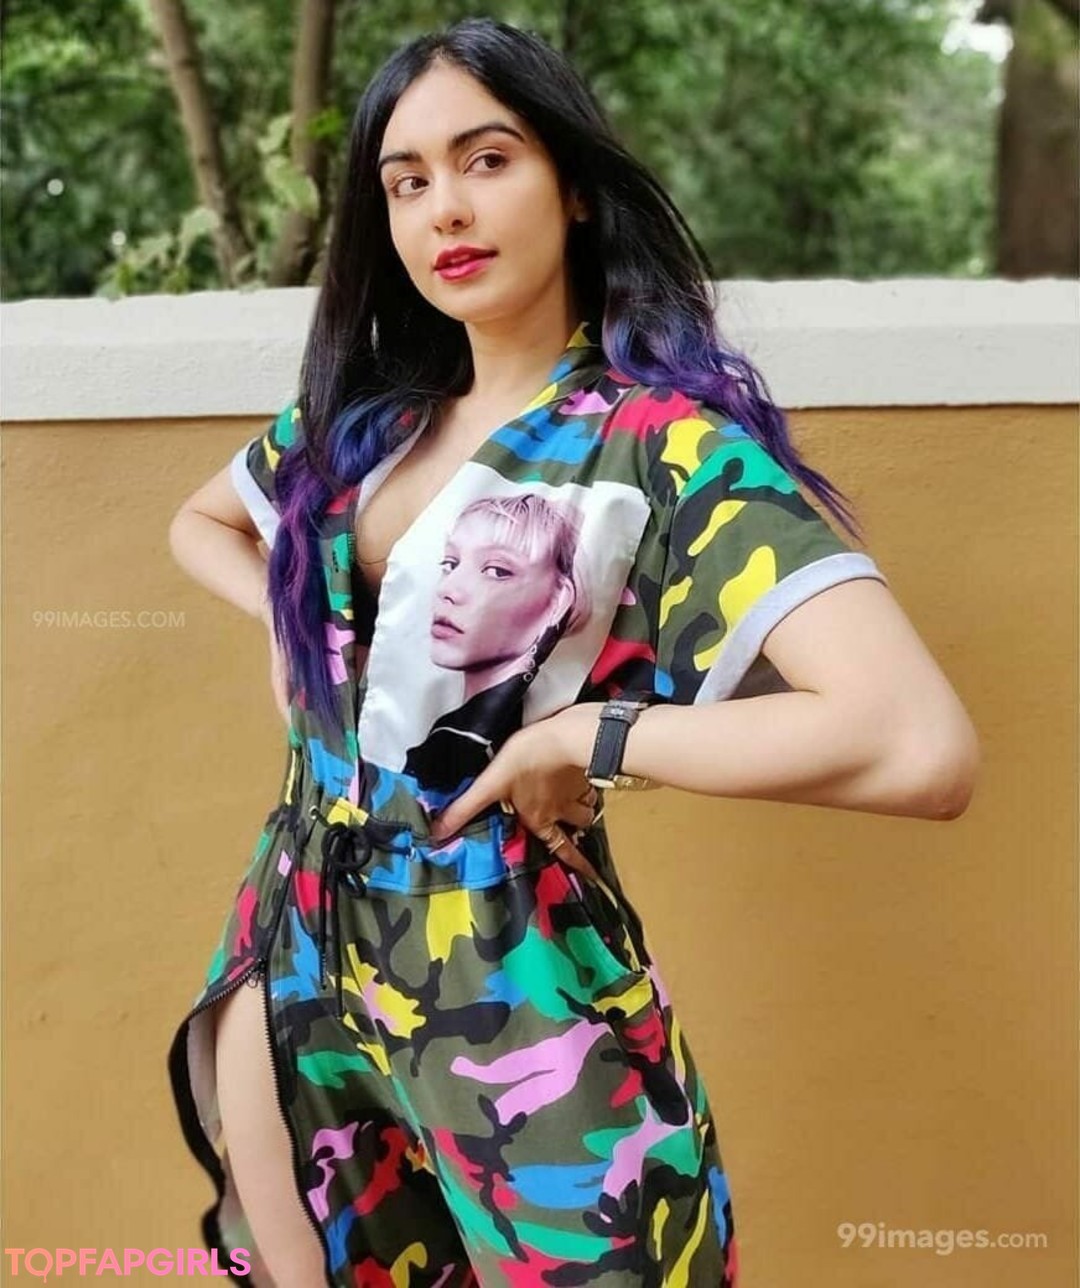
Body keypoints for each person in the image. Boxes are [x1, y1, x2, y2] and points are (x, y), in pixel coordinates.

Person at [166, 17, 980, 1288]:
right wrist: (290, 617)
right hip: (294, 945)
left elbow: (918, 743)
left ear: (577, 189)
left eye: (487, 160)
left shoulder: (656, 444)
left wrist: (583, 737)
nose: (445, 207)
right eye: (407, 181)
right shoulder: (365, 416)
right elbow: (202, 523)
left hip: (517, 979)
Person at [403, 493, 591, 797]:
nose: (449, 589)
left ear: (560, 599)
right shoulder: (453, 730)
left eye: (497, 571)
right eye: (450, 563)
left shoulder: (465, 742)